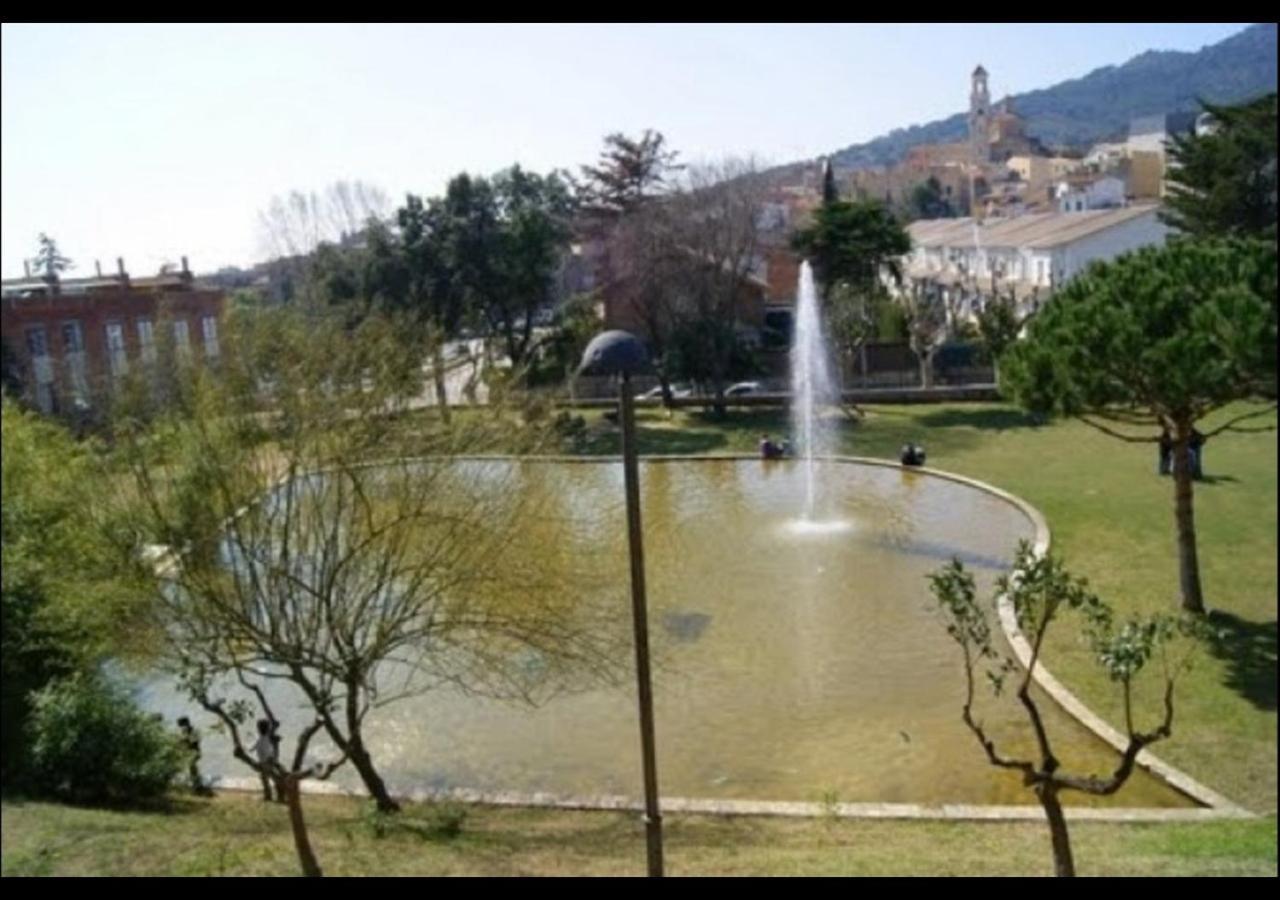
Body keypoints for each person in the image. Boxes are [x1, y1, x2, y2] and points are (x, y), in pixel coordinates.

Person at [177, 716, 212, 796]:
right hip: (188, 752)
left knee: (192, 768)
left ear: (186, 723)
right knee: (192, 769)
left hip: (195, 752)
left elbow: (194, 743)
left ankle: (197, 786)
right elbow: (183, 741)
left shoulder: (194, 731)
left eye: (182, 725)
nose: (181, 728)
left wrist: (184, 741)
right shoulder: (184, 731)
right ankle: (196, 785)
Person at [254, 717, 281, 802]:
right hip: (267, 761)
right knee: (267, 778)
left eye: (258, 727)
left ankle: (269, 796)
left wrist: (268, 761)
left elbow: (267, 751)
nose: (257, 729)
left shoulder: (264, 739)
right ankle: (270, 795)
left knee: (266, 779)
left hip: (266, 762)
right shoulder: (265, 738)